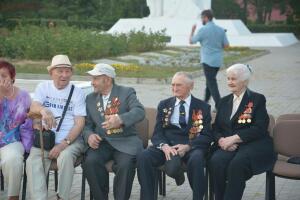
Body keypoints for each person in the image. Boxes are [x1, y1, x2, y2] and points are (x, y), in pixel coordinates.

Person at [137, 72, 212, 200]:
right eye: (173, 85)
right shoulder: (164, 104)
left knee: (197, 159)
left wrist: (188, 146)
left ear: (191, 86)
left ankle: (198, 197)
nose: (175, 88)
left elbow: (206, 135)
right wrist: (164, 146)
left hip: (191, 146)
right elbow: (158, 132)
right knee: (144, 157)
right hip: (168, 146)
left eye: (179, 85)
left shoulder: (203, 107)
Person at [209, 63, 276, 200]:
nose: (229, 82)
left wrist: (234, 138)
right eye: (228, 79)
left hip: (252, 144)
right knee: (216, 161)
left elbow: (260, 128)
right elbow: (216, 128)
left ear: (244, 81)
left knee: (237, 165)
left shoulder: (257, 99)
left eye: (233, 79)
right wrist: (221, 141)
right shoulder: (223, 101)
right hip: (227, 144)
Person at [26, 55, 86, 200]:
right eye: (60, 71)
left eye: (68, 71)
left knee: (65, 157)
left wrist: (62, 145)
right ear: (51, 73)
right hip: (46, 139)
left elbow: (80, 123)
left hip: (70, 140)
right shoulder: (43, 87)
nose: (64, 75)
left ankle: (62, 197)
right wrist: (43, 111)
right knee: (33, 161)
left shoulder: (77, 93)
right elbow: (34, 106)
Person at [82, 63, 145, 200]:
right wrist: (89, 136)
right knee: (90, 162)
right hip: (102, 142)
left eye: (96, 79)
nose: (92, 83)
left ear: (108, 79)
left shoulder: (126, 92)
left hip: (125, 141)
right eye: (92, 79)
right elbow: (87, 125)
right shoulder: (90, 98)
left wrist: (120, 119)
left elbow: (140, 112)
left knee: (126, 165)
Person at [0, 60, 33, 200]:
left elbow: (31, 116)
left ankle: (13, 197)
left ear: (12, 77)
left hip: (12, 140)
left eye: (3, 75)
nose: (0, 79)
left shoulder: (24, 96)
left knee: (13, 159)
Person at [189, 9, 229, 109]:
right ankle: (205, 102)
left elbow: (192, 41)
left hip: (207, 60)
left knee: (211, 82)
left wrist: (192, 30)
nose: (202, 20)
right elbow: (226, 45)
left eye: (202, 18)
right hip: (217, 61)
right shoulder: (221, 29)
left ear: (206, 17)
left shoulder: (203, 30)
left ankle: (220, 105)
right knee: (209, 82)